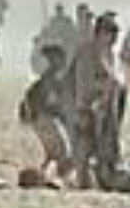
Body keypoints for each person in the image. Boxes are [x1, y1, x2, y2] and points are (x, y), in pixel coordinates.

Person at [67, 12, 123, 189]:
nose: (113, 38)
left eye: (115, 34)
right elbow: (84, 82)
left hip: (106, 109)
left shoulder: (109, 55)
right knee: (84, 148)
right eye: (110, 33)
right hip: (86, 106)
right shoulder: (86, 53)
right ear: (100, 33)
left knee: (106, 150)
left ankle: (103, 180)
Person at [18, 44, 71, 183]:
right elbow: (50, 103)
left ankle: (45, 174)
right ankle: (55, 177)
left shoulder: (49, 78)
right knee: (61, 152)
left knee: (52, 153)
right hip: (43, 118)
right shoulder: (50, 79)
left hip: (39, 118)